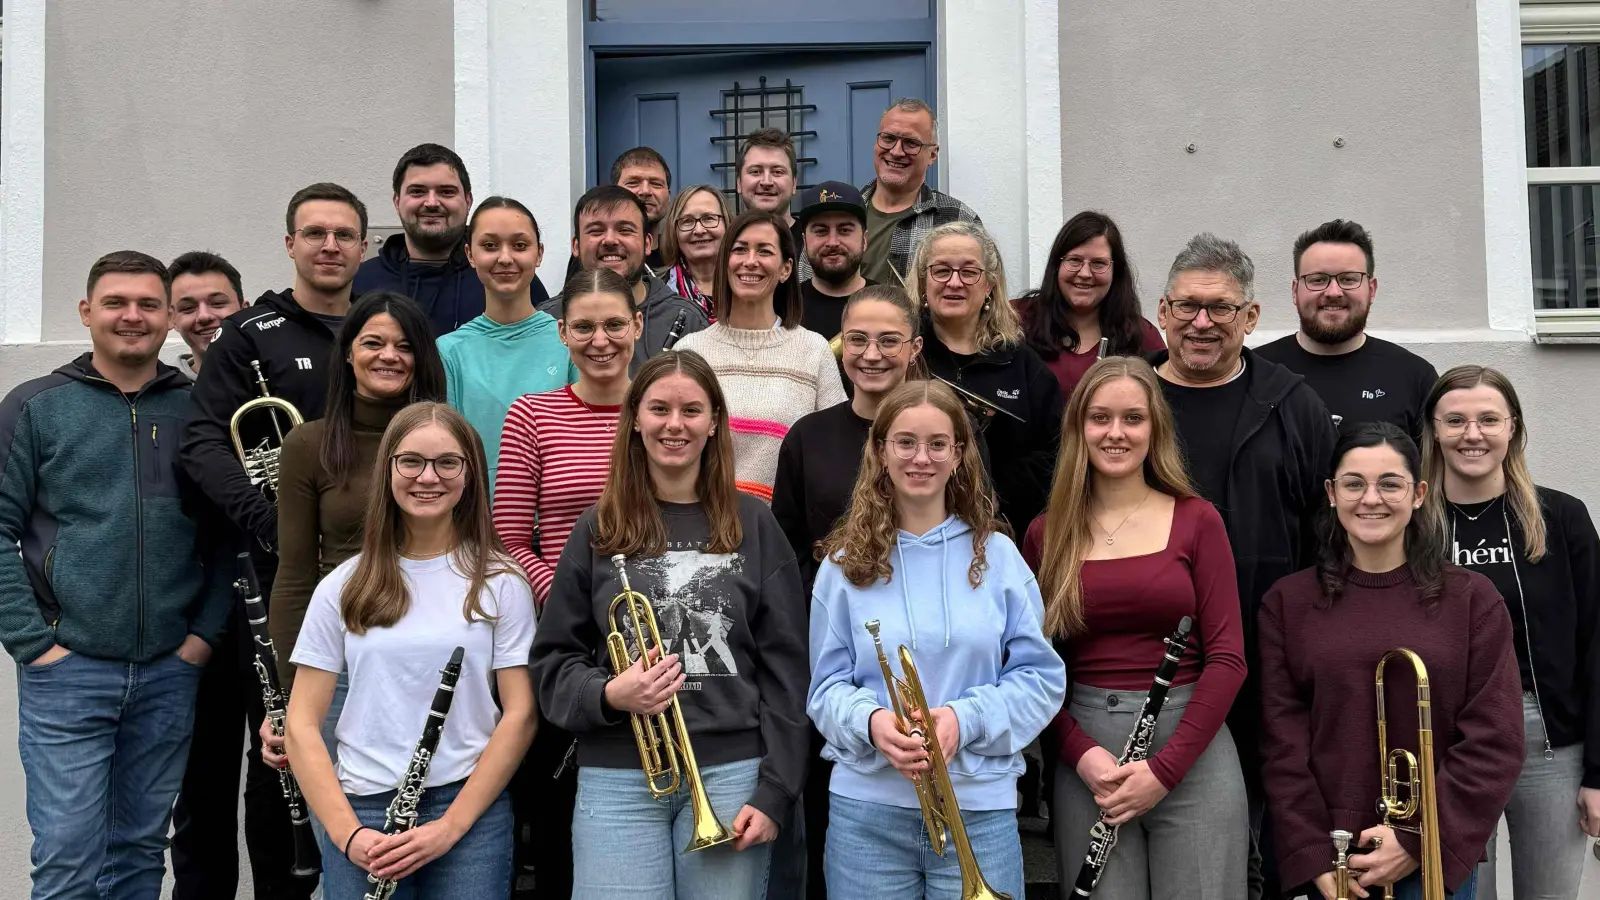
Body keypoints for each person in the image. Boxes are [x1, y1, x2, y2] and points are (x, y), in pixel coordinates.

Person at [529, 350, 810, 899]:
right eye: (659, 408)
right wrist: (610, 693)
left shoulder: (755, 523)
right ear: (635, 419)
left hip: (732, 775)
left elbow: (788, 672)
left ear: (713, 424)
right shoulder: (599, 525)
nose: (674, 424)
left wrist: (775, 791)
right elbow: (553, 659)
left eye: (691, 410)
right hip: (618, 778)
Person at [0, 251, 233, 899]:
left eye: (148, 305)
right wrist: (34, 642)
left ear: (167, 318)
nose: (132, 316)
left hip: (168, 670)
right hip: (66, 674)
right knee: (68, 859)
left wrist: (200, 640)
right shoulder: (36, 407)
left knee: (137, 854)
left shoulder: (198, 410)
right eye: (115, 303)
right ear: (87, 312)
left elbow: (223, 539)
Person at [808, 379, 1066, 900]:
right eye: (904, 442)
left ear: (960, 455)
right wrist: (873, 722)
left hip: (978, 811)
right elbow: (823, 690)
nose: (920, 458)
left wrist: (961, 721)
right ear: (880, 453)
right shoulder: (841, 567)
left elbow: (1042, 680)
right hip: (866, 816)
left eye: (937, 444)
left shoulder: (997, 557)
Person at [284, 401, 536, 899]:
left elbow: (521, 714)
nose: (429, 477)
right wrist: (347, 834)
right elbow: (301, 724)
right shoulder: (343, 585)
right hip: (363, 809)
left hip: (468, 810)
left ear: (469, 474)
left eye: (447, 462)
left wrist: (451, 826)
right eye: (411, 461)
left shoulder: (501, 581)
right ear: (388, 470)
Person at [1260, 422, 1523, 900]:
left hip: (1432, 856)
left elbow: (1496, 739)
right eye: (1354, 483)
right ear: (1331, 493)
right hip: (1335, 858)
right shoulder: (1288, 603)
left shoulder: (1471, 599)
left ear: (1419, 493)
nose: (1371, 498)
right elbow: (1281, 741)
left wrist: (1416, 838)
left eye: (1390, 483)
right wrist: (1313, 851)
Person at [1150, 231, 1336, 900]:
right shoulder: (1127, 402)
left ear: (1250, 317)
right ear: (1163, 310)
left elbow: (1328, 541)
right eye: (1188, 306)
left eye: (1221, 308)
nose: (1202, 323)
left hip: (1269, 670)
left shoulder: (1293, 406)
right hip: (1149, 675)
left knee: (1272, 850)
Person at [1023, 356, 1248, 897]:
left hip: (1192, 749)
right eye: (1100, 418)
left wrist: (1165, 770)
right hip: (1090, 761)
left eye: (1133, 418)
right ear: (1079, 427)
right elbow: (1030, 670)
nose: (1116, 433)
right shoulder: (1044, 534)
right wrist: (1080, 755)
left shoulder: (1198, 520)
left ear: (1156, 429)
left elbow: (1228, 658)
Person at [1420, 366, 1600, 900]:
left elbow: (1595, 644)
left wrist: (1598, 772)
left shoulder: (1560, 517)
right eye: (1455, 420)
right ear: (1432, 430)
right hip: (1446, 741)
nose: (1471, 434)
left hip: (1547, 741)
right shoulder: (1411, 525)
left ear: (1513, 428)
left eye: (1488, 420)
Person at [491, 267, 641, 898]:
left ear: (639, 326)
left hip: (652, 642)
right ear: (562, 333)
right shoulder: (532, 415)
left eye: (614, 324)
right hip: (563, 642)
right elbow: (507, 534)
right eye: (584, 326)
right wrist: (567, 598)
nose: (600, 339)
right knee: (556, 815)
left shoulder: (660, 411)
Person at [182, 181, 369, 558]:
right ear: (290, 245)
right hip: (285, 553)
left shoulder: (384, 327)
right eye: (315, 233)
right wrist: (273, 525)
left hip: (382, 543)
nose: (330, 246)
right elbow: (202, 444)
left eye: (344, 235)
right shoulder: (244, 334)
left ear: (363, 249)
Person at [675, 210, 849, 503]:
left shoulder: (813, 350)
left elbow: (836, 447)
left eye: (764, 251)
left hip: (785, 535)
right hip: (703, 529)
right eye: (740, 249)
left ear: (785, 269)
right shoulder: (691, 351)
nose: (750, 261)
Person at [909, 220, 1063, 532]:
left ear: (989, 284)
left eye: (969, 272)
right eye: (941, 270)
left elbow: (1056, 453)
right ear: (924, 280)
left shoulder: (1022, 365)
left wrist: (995, 494)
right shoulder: (904, 353)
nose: (954, 282)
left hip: (1002, 532)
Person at [1255, 219, 1438, 441]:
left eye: (1348, 279)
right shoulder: (1256, 372)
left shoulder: (1414, 377)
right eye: (1318, 279)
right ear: (1295, 291)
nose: (1333, 291)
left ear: (1371, 290)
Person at [440, 196, 575, 485]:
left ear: (538, 254)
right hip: (477, 521)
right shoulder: (450, 351)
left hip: (559, 520)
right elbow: (446, 451)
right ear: (470, 254)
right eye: (490, 246)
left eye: (519, 245)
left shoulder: (569, 343)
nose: (505, 258)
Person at [354, 143, 544, 333]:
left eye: (446, 192)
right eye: (417, 191)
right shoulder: (362, 281)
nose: (431, 203)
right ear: (397, 202)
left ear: (468, 201)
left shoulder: (507, 277)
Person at [540, 185, 709, 369]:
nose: (610, 240)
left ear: (647, 243)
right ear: (576, 246)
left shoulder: (689, 322)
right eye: (596, 231)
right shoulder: (546, 322)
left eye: (625, 230)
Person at [1017, 211, 1165, 398]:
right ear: (1057, 265)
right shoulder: (1017, 319)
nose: (1085, 273)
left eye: (1098, 263)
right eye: (1074, 260)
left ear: (1115, 272)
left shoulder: (1142, 336)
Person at [860, 98, 981, 287]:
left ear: (932, 154)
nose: (896, 151)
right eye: (888, 138)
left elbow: (979, 293)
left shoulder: (958, 219)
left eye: (911, 143)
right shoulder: (844, 213)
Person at [795, 181, 875, 340]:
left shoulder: (887, 304)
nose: (832, 242)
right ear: (805, 242)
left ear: (864, 240)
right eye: (820, 231)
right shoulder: (786, 305)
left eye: (844, 230)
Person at [169, 250, 246, 379]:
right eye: (188, 308)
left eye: (217, 303)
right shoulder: (163, 394)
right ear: (172, 319)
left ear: (244, 310)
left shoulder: (280, 377)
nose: (204, 316)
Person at [660, 184, 730, 323]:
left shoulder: (749, 283)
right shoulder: (660, 293)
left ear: (727, 224)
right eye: (687, 221)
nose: (699, 230)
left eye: (709, 218)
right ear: (674, 231)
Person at [614, 146, 673, 269]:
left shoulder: (680, 255)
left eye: (656, 184)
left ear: (669, 195)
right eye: (633, 183)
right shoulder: (599, 253)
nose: (645, 191)